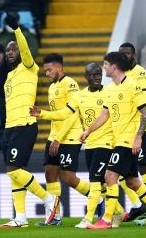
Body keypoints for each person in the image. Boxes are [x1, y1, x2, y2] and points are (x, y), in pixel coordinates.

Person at [79, 51, 146, 229]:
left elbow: (145, 113)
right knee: (132, 181)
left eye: (105, 64)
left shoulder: (132, 86)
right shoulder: (111, 89)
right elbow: (104, 114)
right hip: (118, 139)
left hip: (128, 140)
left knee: (110, 175)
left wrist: (138, 137)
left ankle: (106, 219)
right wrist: (88, 130)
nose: (103, 67)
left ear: (114, 67)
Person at [30, 62, 127, 228]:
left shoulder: (110, 92)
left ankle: (90, 218)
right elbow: (65, 113)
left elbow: (119, 114)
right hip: (89, 144)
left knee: (96, 181)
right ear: (86, 77)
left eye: (98, 74)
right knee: (101, 182)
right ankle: (118, 212)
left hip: (107, 142)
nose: (96, 78)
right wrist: (43, 114)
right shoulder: (80, 96)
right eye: (92, 75)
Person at [0, 11, 59, 228]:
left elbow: (24, 49)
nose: (10, 52)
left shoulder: (29, 68)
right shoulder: (8, 77)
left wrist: (17, 29)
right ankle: (20, 217)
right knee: (15, 174)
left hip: (25, 125)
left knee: (13, 170)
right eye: (7, 50)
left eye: (13, 49)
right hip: (9, 128)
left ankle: (49, 199)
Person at [32, 53, 93, 226]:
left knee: (68, 178)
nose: (47, 73)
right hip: (55, 137)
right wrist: (54, 137)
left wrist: (58, 139)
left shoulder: (71, 84)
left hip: (69, 138)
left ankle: (100, 199)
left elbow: (72, 115)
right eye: (45, 70)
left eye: (49, 70)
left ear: (59, 68)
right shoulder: (52, 87)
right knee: (50, 173)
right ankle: (54, 216)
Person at [119, 43, 146, 224]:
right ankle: (137, 205)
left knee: (144, 167)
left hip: (143, 127)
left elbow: (143, 103)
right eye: (121, 53)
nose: (123, 56)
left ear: (134, 56)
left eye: (127, 53)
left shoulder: (140, 73)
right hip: (126, 129)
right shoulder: (121, 74)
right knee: (121, 170)